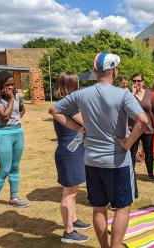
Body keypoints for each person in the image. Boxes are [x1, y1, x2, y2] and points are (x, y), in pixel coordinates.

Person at [49, 52, 148, 248]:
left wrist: (79, 129)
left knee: (98, 209)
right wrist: (127, 144)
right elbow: (143, 120)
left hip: (91, 160)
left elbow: (54, 110)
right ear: (114, 71)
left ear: (95, 72)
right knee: (123, 207)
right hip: (117, 161)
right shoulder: (123, 94)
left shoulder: (81, 94)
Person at [53, 72, 92, 243]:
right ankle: (68, 232)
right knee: (69, 192)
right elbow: (87, 122)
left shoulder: (65, 104)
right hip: (70, 152)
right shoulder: (68, 106)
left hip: (73, 150)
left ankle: (74, 220)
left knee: (73, 190)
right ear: (70, 86)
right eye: (76, 84)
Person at [0, 71, 29, 208]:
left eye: (12, 84)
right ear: (0, 85)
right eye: (7, 85)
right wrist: (10, 100)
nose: (10, 88)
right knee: (4, 169)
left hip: (17, 133)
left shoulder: (17, 96)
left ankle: (14, 198)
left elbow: (22, 109)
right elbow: (4, 116)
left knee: (15, 167)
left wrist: (16, 120)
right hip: (3, 135)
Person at [129, 73, 154, 182]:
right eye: (134, 81)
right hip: (134, 128)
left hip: (148, 128)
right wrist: (132, 94)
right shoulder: (129, 95)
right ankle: (131, 173)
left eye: (138, 81)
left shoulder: (150, 94)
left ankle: (150, 174)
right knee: (132, 152)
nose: (136, 83)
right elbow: (127, 108)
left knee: (149, 152)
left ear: (143, 82)